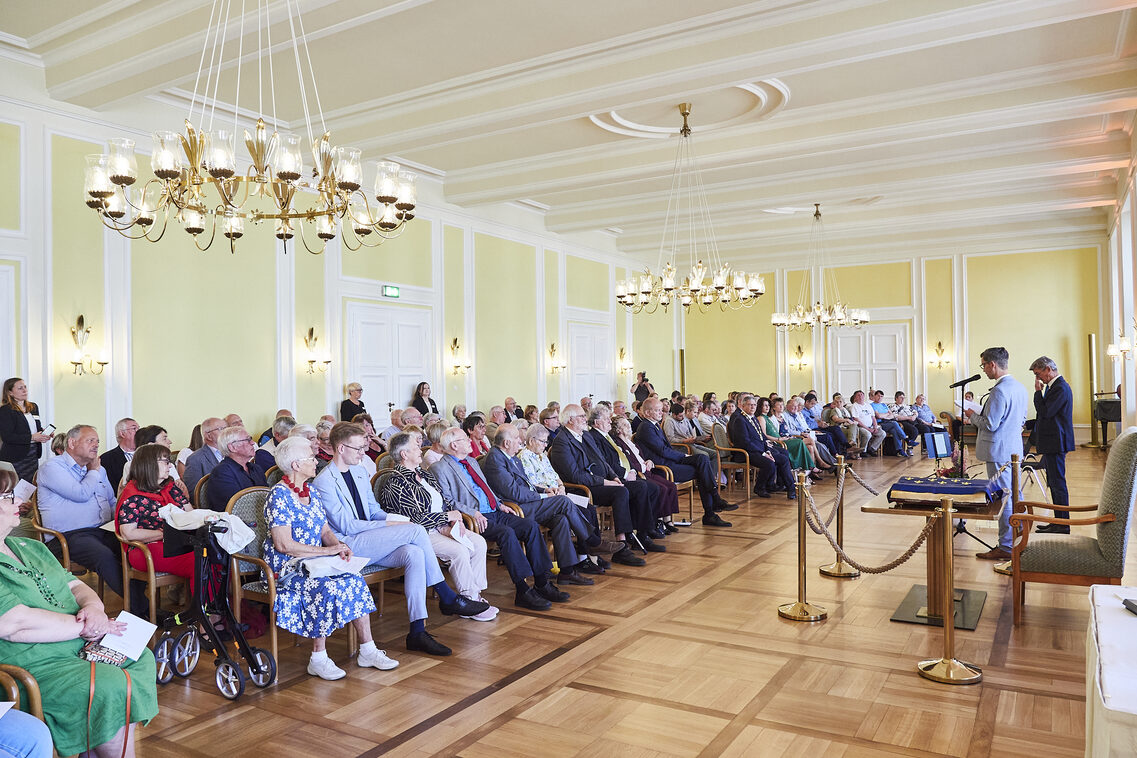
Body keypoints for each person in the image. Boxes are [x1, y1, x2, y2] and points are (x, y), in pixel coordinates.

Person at [0, 468, 158, 758]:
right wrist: (86, 627)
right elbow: (14, 624)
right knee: (110, 685)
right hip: (33, 660)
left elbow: (74, 586)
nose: (18, 504)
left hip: (80, 640)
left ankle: (95, 748)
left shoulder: (30, 546)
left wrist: (94, 608)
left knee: (139, 657)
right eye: (8, 497)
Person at [310, 425, 490, 654]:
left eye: (364, 447)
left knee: (414, 553)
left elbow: (374, 511)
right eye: (358, 448)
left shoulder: (357, 472)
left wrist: (396, 520)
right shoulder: (324, 481)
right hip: (348, 543)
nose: (363, 453)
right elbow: (347, 525)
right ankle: (446, 595)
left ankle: (417, 631)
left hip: (372, 539)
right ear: (341, 448)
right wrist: (394, 525)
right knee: (415, 530)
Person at [263, 437, 397, 679]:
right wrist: (327, 552)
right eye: (311, 458)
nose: (316, 461)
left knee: (354, 579)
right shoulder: (279, 496)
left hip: (316, 562)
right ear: (295, 465)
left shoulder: (312, 491)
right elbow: (283, 545)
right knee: (324, 587)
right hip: (287, 567)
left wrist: (339, 545)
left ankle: (367, 649)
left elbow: (324, 530)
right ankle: (318, 657)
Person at [430, 427, 568, 610]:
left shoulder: (471, 461)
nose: (470, 442)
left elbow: (485, 488)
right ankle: (522, 590)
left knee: (530, 526)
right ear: (454, 445)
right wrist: (471, 512)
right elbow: (447, 500)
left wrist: (500, 503)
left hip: (495, 510)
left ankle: (542, 583)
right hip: (475, 517)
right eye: (465, 439)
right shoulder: (439, 467)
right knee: (506, 533)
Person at [378, 433, 498, 621]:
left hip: (441, 527)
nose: (421, 449)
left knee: (479, 543)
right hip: (420, 535)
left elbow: (444, 501)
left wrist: (453, 521)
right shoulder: (395, 482)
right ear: (403, 454)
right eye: (416, 447)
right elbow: (413, 519)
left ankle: (473, 596)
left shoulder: (424, 474)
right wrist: (445, 518)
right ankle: (471, 600)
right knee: (459, 551)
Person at [484, 423, 621, 583]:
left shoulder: (511, 457)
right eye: (516, 439)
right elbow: (514, 492)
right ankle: (592, 542)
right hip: (516, 508)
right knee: (563, 501)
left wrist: (544, 491)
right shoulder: (496, 459)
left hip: (530, 502)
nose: (520, 442)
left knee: (562, 519)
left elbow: (527, 485)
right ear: (507, 443)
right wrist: (544, 496)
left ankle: (567, 571)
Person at [36, 425, 140, 606]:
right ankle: (142, 608)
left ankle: (142, 604)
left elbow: (112, 500)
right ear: (72, 442)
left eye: (97, 441)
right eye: (90, 440)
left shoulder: (99, 469)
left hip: (102, 530)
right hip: (67, 537)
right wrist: (93, 471)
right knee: (104, 556)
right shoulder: (52, 467)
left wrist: (125, 522)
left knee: (136, 548)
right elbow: (80, 493)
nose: (96, 445)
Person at [966, 347, 1029, 560]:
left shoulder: (999, 390)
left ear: (993, 364)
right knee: (1015, 492)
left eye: (983, 365)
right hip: (1013, 448)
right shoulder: (1020, 387)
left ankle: (1006, 546)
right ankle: (1019, 530)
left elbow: (991, 424)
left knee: (1004, 498)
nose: (983, 369)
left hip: (999, 451)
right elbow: (1021, 420)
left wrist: (972, 415)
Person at [634, 397, 733, 525]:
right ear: (647, 413)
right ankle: (711, 509)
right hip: (662, 468)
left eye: (661, 410)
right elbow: (662, 451)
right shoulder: (646, 427)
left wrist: (684, 457)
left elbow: (666, 448)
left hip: (670, 462)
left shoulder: (654, 425)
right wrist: (683, 457)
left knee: (702, 458)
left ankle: (714, 501)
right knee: (701, 471)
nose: (661, 412)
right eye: (657, 410)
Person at [115, 443, 195, 597]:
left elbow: (190, 514)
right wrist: (163, 533)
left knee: (213, 555)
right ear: (150, 465)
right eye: (165, 461)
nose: (170, 465)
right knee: (199, 561)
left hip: (177, 542)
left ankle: (216, 611)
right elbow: (128, 534)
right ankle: (207, 615)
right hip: (145, 549)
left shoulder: (171, 488)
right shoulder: (132, 494)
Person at [1029, 356, 1075, 534]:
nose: (1038, 379)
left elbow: (1046, 411)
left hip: (1056, 442)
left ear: (1048, 369)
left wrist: (1037, 392)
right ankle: (1058, 522)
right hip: (1053, 442)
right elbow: (1048, 414)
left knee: (1058, 484)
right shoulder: (1054, 387)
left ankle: (1062, 525)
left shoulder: (1060, 387)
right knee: (1054, 483)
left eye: (1038, 374)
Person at [728, 394, 794, 499]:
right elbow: (745, 442)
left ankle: (790, 488)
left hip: (759, 450)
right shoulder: (740, 420)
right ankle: (760, 487)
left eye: (754, 405)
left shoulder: (753, 417)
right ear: (743, 406)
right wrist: (763, 453)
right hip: (746, 452)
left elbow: (761, 438)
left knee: (783, 458)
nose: (753, 407)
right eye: (750, 405)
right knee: (769, 463)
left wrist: (767, 450)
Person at [204, 426, 267, 511]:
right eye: (247, 440)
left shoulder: (255, 468)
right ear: (232, 447)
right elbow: (237, 507)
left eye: (250, 439)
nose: (252, 442)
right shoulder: (221, 473)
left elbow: (267, 495)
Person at [0, 378, 50, 483]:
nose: (24, 390)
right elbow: (7, 436)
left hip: (33, 454)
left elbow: (33, 428)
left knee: (30, 485)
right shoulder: (5, 410)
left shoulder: (33, 407)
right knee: (17, 487)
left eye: (25, 387)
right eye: (20, 388)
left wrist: (43, 432)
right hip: (15, 456)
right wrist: (32, 437)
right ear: (10, 392)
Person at [183, 417, 226, 499]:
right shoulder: (195, 459)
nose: (226, 432)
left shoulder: (232, 452)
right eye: (221, 429)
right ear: (209, 436)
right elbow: (193, 494)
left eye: (226, 428)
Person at [100, 418, 140, 492]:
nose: (139, 432)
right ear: (122, 434)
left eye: (139, 428)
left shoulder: (146, 455)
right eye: (134, 428)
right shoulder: (106, 459)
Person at [848, 391, 887, 456]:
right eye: (858, 395)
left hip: (871, 426)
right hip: (860, 427)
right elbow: (856, 420)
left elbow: (873, 417)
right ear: (855, 397)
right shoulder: (854, 406)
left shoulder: (868, 405)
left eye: (862, 395)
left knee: (882, 433)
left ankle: (872, 448)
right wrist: (868, 429)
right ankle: (863, 451)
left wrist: (875, 426)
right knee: (867, 434)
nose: (860, 396)